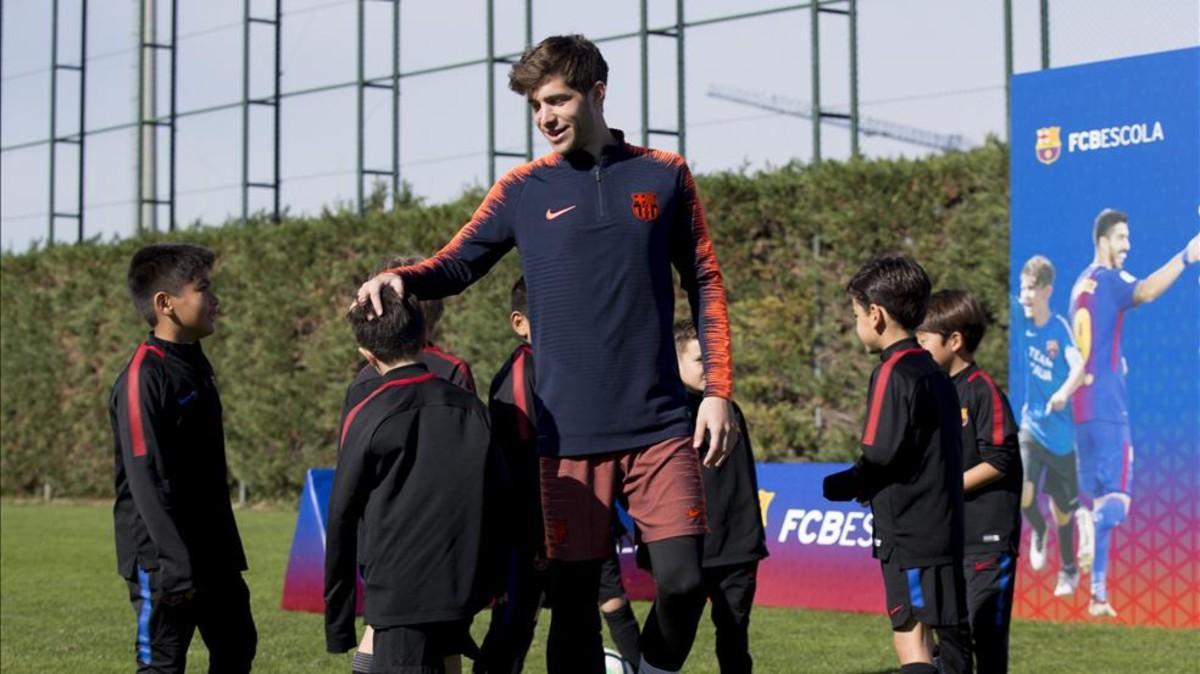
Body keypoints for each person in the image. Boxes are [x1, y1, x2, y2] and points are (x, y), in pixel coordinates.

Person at [354, 34, 737, 674]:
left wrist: (718, 390)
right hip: (566, 438)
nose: (545, 117)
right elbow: (456, 263)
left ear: (597, 92)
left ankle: (655, 669)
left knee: (681, 578)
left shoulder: (665, 174)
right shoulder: (523, 189)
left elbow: (705, 281)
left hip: (661, 424)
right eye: (535, 105)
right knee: (574, 604)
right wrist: (403, 277)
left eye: (556, 100)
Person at [325, 287, 499, 673]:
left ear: (368, 357)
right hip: (460, 582)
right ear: (424, 338)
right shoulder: (472, 408)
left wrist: (338, 621)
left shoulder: (369, 412)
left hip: (400, 592)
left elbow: (341, 515)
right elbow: (498, 497)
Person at [476, 277, 642, 672]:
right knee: (516, 623)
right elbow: (520, 463)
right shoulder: (522, 371)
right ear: (520, 323)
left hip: (580, 525)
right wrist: (536, 531)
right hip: (533, 531)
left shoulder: (572, 369)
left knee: (579, 623)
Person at [110, 243, 257, 673]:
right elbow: (144, 478)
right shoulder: (143, 377)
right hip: (163, 558)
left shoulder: (195, 363)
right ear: (165, 304)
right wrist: (175, 563)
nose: (216, 300)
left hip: (213, 551)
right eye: (203, 289)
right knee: (162, 664)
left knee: (237, 647)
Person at [823, 255, 967, 674]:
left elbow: (880, 453)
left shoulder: (893, 371)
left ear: (876, 315)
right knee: (937, 636)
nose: (855, 325)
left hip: (908, 533)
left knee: (911, 635)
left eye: (855, 315)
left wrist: (846, 483)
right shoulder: (933, 371)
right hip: (941, 524)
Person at [1068, 209, 1200, 617]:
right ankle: (1086, 520)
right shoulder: (1109, 279)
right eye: (1122, 238)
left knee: (1103, 497)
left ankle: (1097, 597)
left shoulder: (1080, 285)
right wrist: (1186, 257)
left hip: (1082, 409)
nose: (1127, 246)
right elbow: (1143, 291)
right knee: (1118, 503)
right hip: (1108, 408)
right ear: (1104, 240)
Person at [917, 290, 1021, 674]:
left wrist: (940, 490)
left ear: (955, 340)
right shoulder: (935, 391)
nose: (917, 347)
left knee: (986, 640)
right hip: (948, 541)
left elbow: (999, 459)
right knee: (952, 641)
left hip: (987, 542)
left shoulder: (983, 390)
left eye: (923, 340)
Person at [675, 319, 769, 672]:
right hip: (690, 549)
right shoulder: (666, 414)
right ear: (675, 362)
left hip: (737, 549)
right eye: (700, 360)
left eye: (714, 360)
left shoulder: (729, 409)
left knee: (734, 639)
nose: (710, 368)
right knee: (673, 638)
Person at [1013, 256, 1085, 596]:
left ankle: (1068, 569)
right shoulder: (1020, 320)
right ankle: (1037, 530)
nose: (1025, 295)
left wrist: (1062, 393)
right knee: (1022, 492)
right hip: (1031, 427)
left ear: (1047, 291)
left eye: (1031, 289)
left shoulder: (1058, 328)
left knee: (1064, 513)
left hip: (1061, 439)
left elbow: (1078, 368)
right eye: (1022, 288)